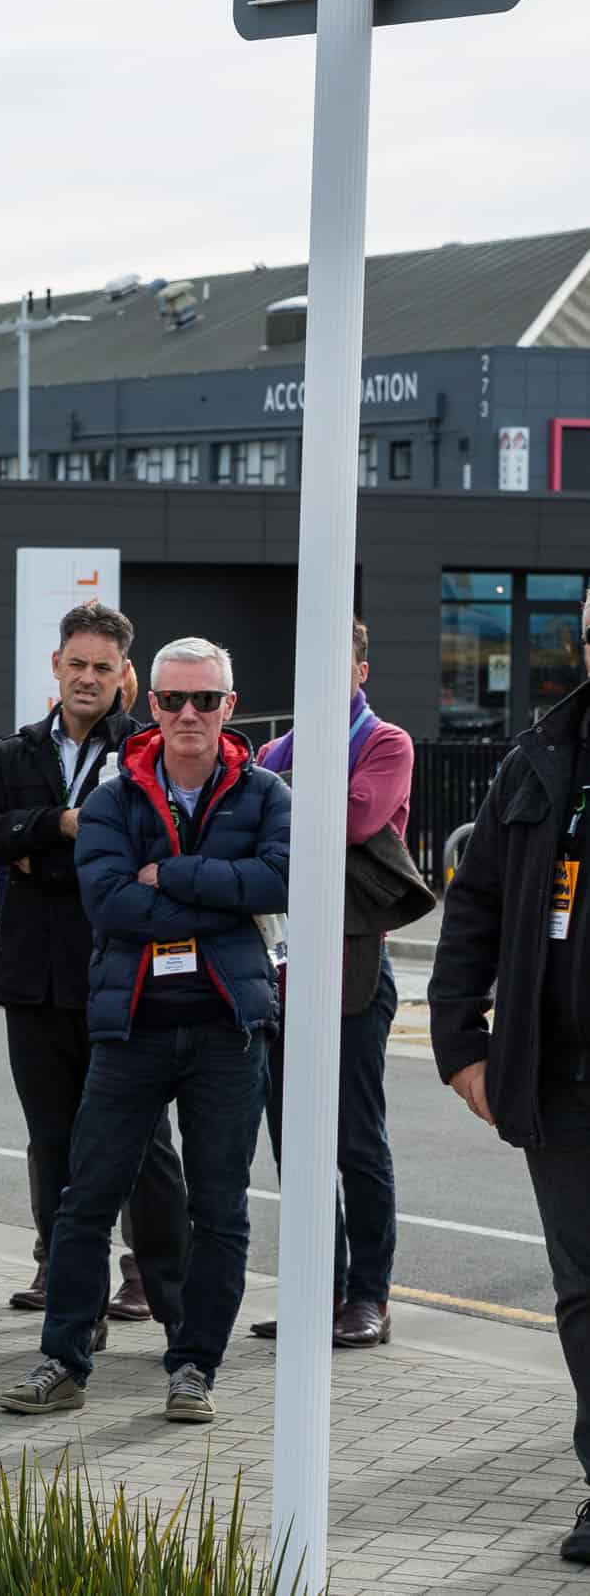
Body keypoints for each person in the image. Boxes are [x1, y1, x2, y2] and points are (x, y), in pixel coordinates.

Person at [0, 636, 288, 1425]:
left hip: (229, 1029)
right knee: (85, 1198)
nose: (187, 714)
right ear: (150, 701)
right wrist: (221, 901)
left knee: (220, 1210)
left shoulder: (265, 793)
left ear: (230, 705)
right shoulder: (115, 798)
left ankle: (193, 1366)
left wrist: (178, 875)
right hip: (130, 1027)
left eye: (204, 699)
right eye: (171, 699)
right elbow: (111, 903)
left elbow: (282, 877)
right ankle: (64, 1358)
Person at [0, 602, 187, 1329]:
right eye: (76, 664)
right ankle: (66, 1278)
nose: (87, 678)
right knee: (51, 1138)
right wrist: (61, 824)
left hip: (125, 972)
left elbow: (150, 847)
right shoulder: (14, 751)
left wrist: (42, 859)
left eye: (102, 667)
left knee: (143, 1138)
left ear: (125, 675)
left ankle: (155, 1280)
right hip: (34, 976)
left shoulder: (148, 749)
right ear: (55, 667)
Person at [434, 590, 590, 1567]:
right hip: (562, 1077)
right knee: (582, 1292)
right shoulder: (542, 756)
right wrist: (459, 1042)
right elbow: (474, 904)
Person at [253, 617, 425, 1346]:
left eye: (336, 665)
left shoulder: (387, 743)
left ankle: (369, 1296)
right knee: (297, 1146)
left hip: (355, 968)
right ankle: (317, 1291)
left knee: (355, 1140)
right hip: (281, 968)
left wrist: (283, 796)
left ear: (361, 670)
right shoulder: (270, 751)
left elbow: (355, 818)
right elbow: (251, 824)